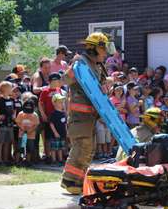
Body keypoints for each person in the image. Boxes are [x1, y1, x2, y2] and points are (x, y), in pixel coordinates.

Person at [61, 32, 115, 194]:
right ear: (94, 49)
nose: (106, 52)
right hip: (79, 116)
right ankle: (70, 181)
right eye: (103, 48)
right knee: (82, 147)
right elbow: (65, 79)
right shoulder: (81, 62)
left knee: (89, 149)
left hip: (90, 117)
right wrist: (73, 71)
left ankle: (77, 181)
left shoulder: (96, 65)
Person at [38, 73, 63, 160]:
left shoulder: (59, 90)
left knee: (59, 136)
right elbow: (40, 104)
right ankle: (47, 155)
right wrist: (43, 114)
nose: (58, 82)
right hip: (49, 117)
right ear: (51, 81)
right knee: (48, 137)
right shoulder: (45, 91)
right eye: (56, 80)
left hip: (58, 117)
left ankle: (58, 156)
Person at [0, 81, 15, 165]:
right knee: (0, 142)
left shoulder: (11, 100)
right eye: (10, 88)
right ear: (5, 89)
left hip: (10, 124)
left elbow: (13, 110)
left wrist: (14, 115)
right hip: (2, 124)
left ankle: (6, 159)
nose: (12, 89)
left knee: (7, 142)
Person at [15, 100, 40, 166]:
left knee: (29, 148)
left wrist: (30, 130)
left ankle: (28, 161)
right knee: (19, 148)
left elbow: (36, 124)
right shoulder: (21, 114)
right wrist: (22, 128)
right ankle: (17, 161)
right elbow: (18, 122)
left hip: (31, 135)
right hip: (21, 135)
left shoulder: (35, 115)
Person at [48, 93, 67, 166]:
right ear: (54, 103)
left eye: (62, 102)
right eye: (60, 102)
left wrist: (66, 131)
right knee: (54, 148)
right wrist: (55, 132)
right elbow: (51, 124)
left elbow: (65, 123)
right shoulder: (53, 113)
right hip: (54, 134)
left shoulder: (63, 114)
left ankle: (60, 159)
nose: (62, 104)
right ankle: (53, 160)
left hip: (62, 133)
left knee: (61, 147)